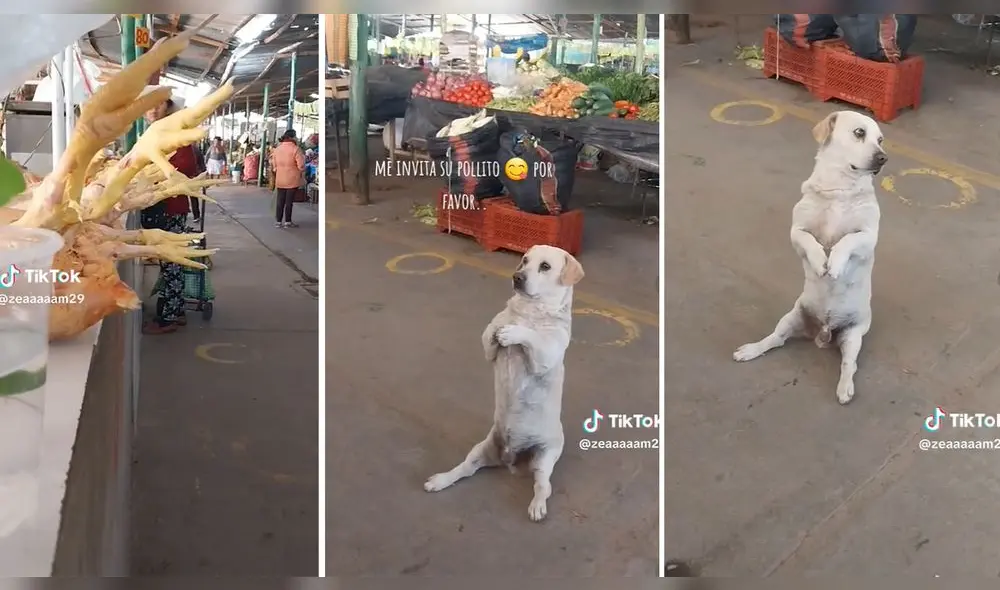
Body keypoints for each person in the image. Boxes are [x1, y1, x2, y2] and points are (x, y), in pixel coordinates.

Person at [141, 93, 200, 335]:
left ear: (168, 107)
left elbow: (186, 168)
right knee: (169, 262)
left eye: (159, 103)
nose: (153, 109)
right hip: (162, 205)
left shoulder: (173, 136)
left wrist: (156, 171)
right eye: (148, 105)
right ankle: (176, 311)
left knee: (171, 262)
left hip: (170, 206)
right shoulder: (154, 133)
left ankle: (169, 318)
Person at [269, 129, 305, 228]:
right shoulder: (296, 149)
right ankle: (288, 222)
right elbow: (301, 165)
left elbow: (274, 165)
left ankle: (278, 222)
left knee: (280, 200)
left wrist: (279, 170)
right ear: (292, 137)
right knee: (289, 201)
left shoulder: (277, 149)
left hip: (280, 179)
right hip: (292, 179)